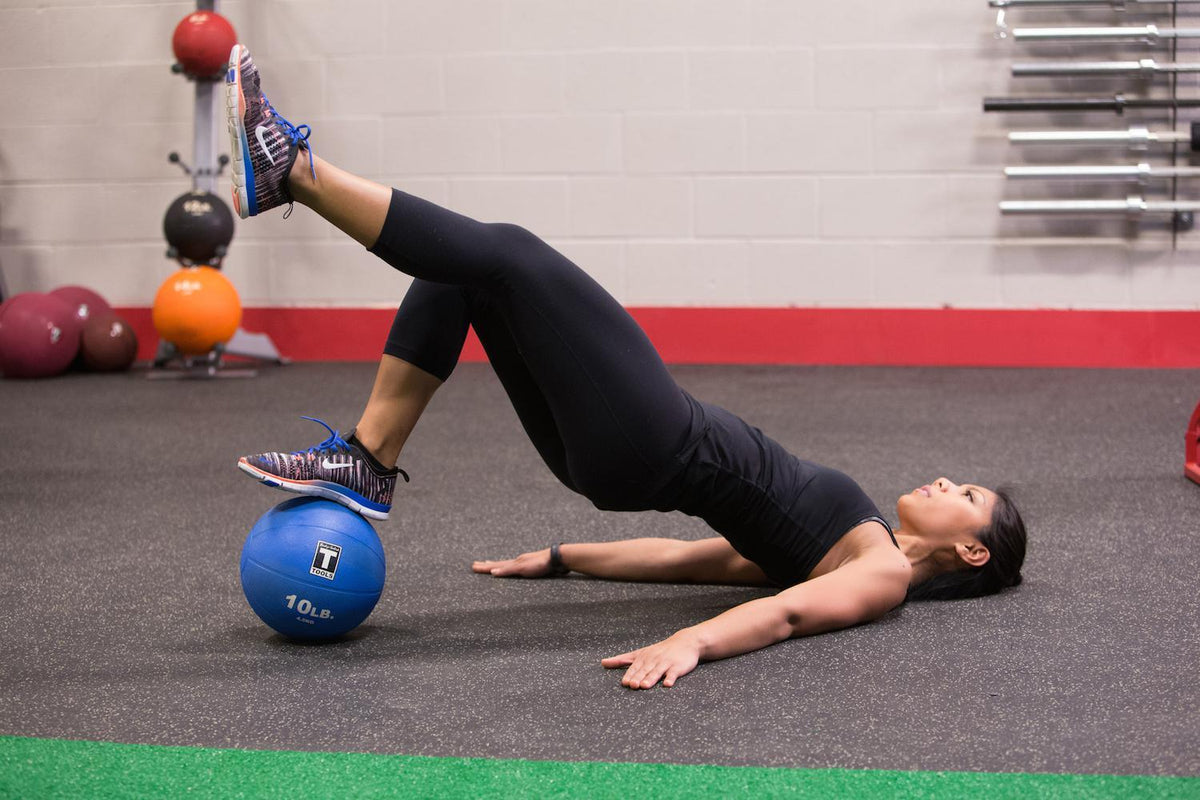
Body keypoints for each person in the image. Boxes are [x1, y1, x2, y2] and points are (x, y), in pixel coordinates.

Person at [226, 44, 1027, 690]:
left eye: (968, 499)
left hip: (661, 439)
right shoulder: (850, 544)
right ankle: (368, 460)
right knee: (462, 270)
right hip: (618, 464)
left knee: (506, 252)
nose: (949, 482)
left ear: (973, 552)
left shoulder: (882, 572)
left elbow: (786, 618)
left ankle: (291, 170)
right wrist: (564, 557)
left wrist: (692, 645)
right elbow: (693, 560)